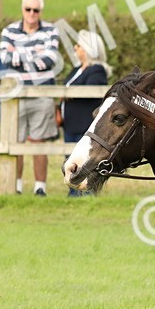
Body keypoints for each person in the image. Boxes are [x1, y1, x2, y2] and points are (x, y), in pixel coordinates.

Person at [0, 0, 61, 196]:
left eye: (36, 10)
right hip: (15, 95)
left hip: (41, 93)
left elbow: (50, 59)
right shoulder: (8, 31)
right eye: (28, 9)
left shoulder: (51, 30)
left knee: (39, 142)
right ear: (22, 10)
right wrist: (35, 56)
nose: (32, 13)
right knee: (15, 142)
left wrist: (19, 56)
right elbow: (4, 58)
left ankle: (39, 188)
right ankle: (15, 186)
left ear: (41, 11)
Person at [62, 30, 110, 197]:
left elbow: (88, 91)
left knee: (85, 161)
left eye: (79, 45)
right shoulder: (77, 69)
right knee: (70, 160)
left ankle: (85, 194)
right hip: (70, 123)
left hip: (84, 124)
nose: (75, 48)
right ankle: (72, 192)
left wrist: (68, 94)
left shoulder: (97, 70)